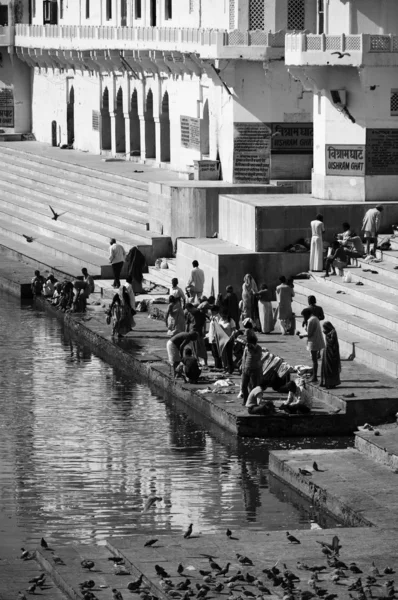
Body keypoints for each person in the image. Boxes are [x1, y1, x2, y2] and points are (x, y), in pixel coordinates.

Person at [299, 308, 325, 383]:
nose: (304, 318)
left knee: (314, 361)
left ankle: (315, 376)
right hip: (317, 340)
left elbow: (309, 334)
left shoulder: (310, 320)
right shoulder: (315, 318)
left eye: (304, 316)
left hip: (313, 342)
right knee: (315, 360)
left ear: (307, 314)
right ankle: (314, 376)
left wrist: (302, 335)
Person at [241, 330, 263, 405]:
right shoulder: (247, 348)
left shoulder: (258, 348)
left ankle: (253, 401)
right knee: (244, 386)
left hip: (254, 370)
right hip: (245, 369)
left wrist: (253, 349)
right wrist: (242, 367)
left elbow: (258, 358)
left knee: (254, 387)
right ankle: (245, 400)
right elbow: (244, 357)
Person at [320, 321, 341, 389]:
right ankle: (327, 383)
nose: (324, 330)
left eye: (325, 328)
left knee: (331, 369)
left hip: (332, 353)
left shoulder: (333, 332)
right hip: (327, 352)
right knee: (326, 368)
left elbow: (331, 342)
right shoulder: (330, 332)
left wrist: (326, 335)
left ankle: (332, 383)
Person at [218, 307, 236, 374]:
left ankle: (230, 369)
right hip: (222, 340)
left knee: (229, 355)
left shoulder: (231, 320)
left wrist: (232, 336)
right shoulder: (220, 320)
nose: (223, 317)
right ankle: (225, 368)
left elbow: (234, 330)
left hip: (229, 340)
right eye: (222, 315)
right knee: (223, 355)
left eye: (225, 315)